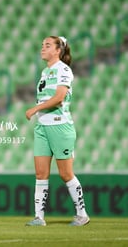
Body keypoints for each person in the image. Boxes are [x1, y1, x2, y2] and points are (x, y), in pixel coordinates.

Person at [25, 36, 89, 226]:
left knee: (66, 173)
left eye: (47, 45)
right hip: (42, 127)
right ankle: (39, 217)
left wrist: (35, 108)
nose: (42, 48)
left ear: (58, 50)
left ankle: (82, 214)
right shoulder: (46, 71)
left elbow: (60, 98)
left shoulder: (64, 70)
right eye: (42, 44)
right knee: (40, 173)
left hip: (60, 126)